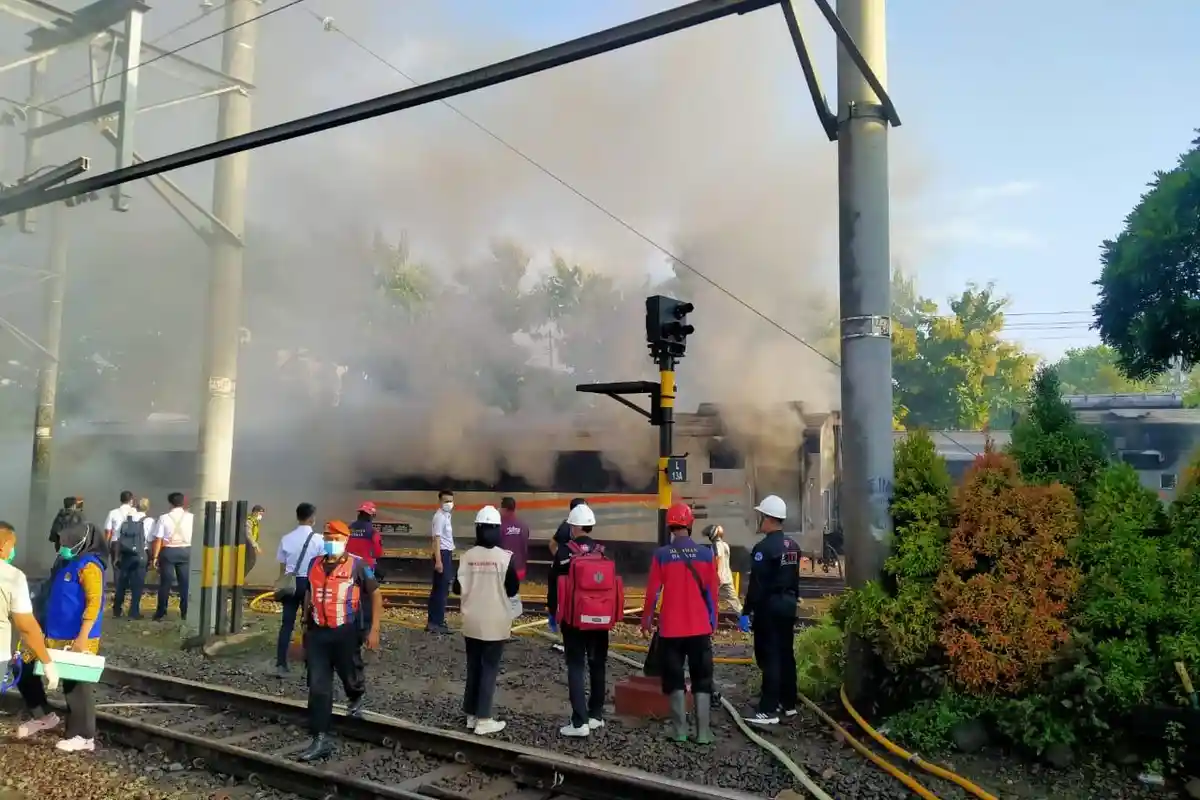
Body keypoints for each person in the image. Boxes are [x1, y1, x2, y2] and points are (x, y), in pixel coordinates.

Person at [17, 515, 106, 751]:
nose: (62, 547)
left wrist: (83, 637)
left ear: (81, 541)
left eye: (67, 542)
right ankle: (43, 715)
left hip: (77, 636)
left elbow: (95, 603)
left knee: (76, 685)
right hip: (51, 633)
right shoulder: (65, 562)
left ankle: (84, 736)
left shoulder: (90, 566)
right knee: (23, 668)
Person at [298, 520, 381, 762]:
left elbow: (376, 594)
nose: (330, 542)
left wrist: (374, 629)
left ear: (345, 540)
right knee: (318, 686)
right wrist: (304, 620)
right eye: (327, 538)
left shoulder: (358, 565)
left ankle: (355, 697)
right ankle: (321, 737)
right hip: (317, 634)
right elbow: (309, 592)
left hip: (345, 631)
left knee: (349, 673)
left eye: (335, 539)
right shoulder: (314, 563)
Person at [641, 503, 718, 743]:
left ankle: (680, 731)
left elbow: (653, 592)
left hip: (671, 630)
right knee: (702, 678)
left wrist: (646, 620)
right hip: (700, 628)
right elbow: (712, 593)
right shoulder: (706, 554)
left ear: (670, 527)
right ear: (690, 524)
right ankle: (703, 733)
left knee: (674, 679)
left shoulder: (662, 555)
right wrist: (713, 621)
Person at [453, 506, 520, 736]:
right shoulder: (505, 558)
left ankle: (471, 714)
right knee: (489, 669)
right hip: (495, 622)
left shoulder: (467, 557)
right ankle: (484, 719)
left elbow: (456, 588)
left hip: (472, 621)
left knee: (474, 667)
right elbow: (513, 589)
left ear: (477, 529)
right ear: (498, 529)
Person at [551, 503, 614, 738]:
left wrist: (554, 612)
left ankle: (579, 722)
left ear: (574, 527)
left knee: (576, 666)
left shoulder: (565, 552)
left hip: (574, 620)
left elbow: (554, 584)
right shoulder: (602, 551)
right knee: (598, 665)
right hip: (601, 620)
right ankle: (596, 715)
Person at [742, 494, 801, 725]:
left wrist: (746, 611)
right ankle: (788, 704)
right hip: (788, 605)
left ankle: (768, 710)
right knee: (786, 653)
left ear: (768, 518)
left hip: (769, 607)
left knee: (770, 657)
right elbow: (795, 579)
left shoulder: (763, 548)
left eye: (761, 516)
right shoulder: (793, 546)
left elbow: (756, 585)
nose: (760, 521)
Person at [0, 522, 60, 740]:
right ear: (4, 545)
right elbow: (26, 626)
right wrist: (47, 662)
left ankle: (42, 715)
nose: (13, 551)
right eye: (13, 545)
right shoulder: (12, 576)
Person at [275, 503, 322, 678]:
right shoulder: (319, 539)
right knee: (310, 624)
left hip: (291, 583)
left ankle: (281, 664)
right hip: (310, 583)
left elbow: (283, 567)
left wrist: (281, 583)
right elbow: (322, 565)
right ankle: (310, 665)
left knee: (286, 624)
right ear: (312, 518)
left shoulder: (286, 538)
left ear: (297, 517)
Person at [150, 492, 194, 622]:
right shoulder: (191, 517)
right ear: (183, 502)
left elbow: (158, 539)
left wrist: (155, 557)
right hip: (186, 550)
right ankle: (185, 612)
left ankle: (161, 612)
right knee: (185, 583)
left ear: (170, 503)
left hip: (168, 551)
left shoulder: (164, 518)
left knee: (165, 583)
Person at [546, 497, 586, 634]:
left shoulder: (572, 526)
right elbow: (552, 544)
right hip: (564, 569)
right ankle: (555, 623)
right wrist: (559, 559)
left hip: (570, 568)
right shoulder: (566, 527)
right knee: (557, 594)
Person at [111, 497, 151, 619]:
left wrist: (116, 557)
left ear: (136, 507)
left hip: (126, 555)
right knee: (137, 585)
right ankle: (133, 612)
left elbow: (118, 540)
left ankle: (117, 610)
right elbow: (151, 540)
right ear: (147, 508)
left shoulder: (126, 520)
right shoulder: (148, 521)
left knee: (121, 584)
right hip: (140, 555)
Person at [426, 489, 455, 635]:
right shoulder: (439, 517)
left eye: (450, 501)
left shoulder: (446, 516)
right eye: (446, 501)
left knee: (439, 589)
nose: (448, 503)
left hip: (445, 553)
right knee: (441, 591)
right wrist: (438, 560)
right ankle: (436, 622)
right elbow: (436, 539)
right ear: (440, 502)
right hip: (442, 554)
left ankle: (434, 622)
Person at [702, 524, 744, 618]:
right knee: (735, 602)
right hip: (728, 577)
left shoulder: (715, 545)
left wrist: (715, 575)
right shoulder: (725, 545)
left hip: (719, 578)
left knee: (707, 598)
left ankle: (707, 619)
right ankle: (745, 621)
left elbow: (717, 559)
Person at [498, 497, 530, 582]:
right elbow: (525, 547)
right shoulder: (523, 526)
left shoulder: (499, 526)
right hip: (520, 569)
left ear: (504, 509)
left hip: (504, 571)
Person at [346, 502, 383, 570]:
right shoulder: (373, 532)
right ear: (372, 515)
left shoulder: (348, 529)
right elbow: (377, 553)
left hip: (348, 564)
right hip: (365, 565)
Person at [245, 505, 265, 579]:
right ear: (255, 512)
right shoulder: (249, 521)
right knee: (250, 562)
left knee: (250, 562)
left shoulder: (255, 522)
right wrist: (256, 546)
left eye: (262, 514)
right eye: (260, 514)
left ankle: (241, 578)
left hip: (250, 545)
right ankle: (240, 578)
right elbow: (249, 535)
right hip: (248, 544)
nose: (261, 516)